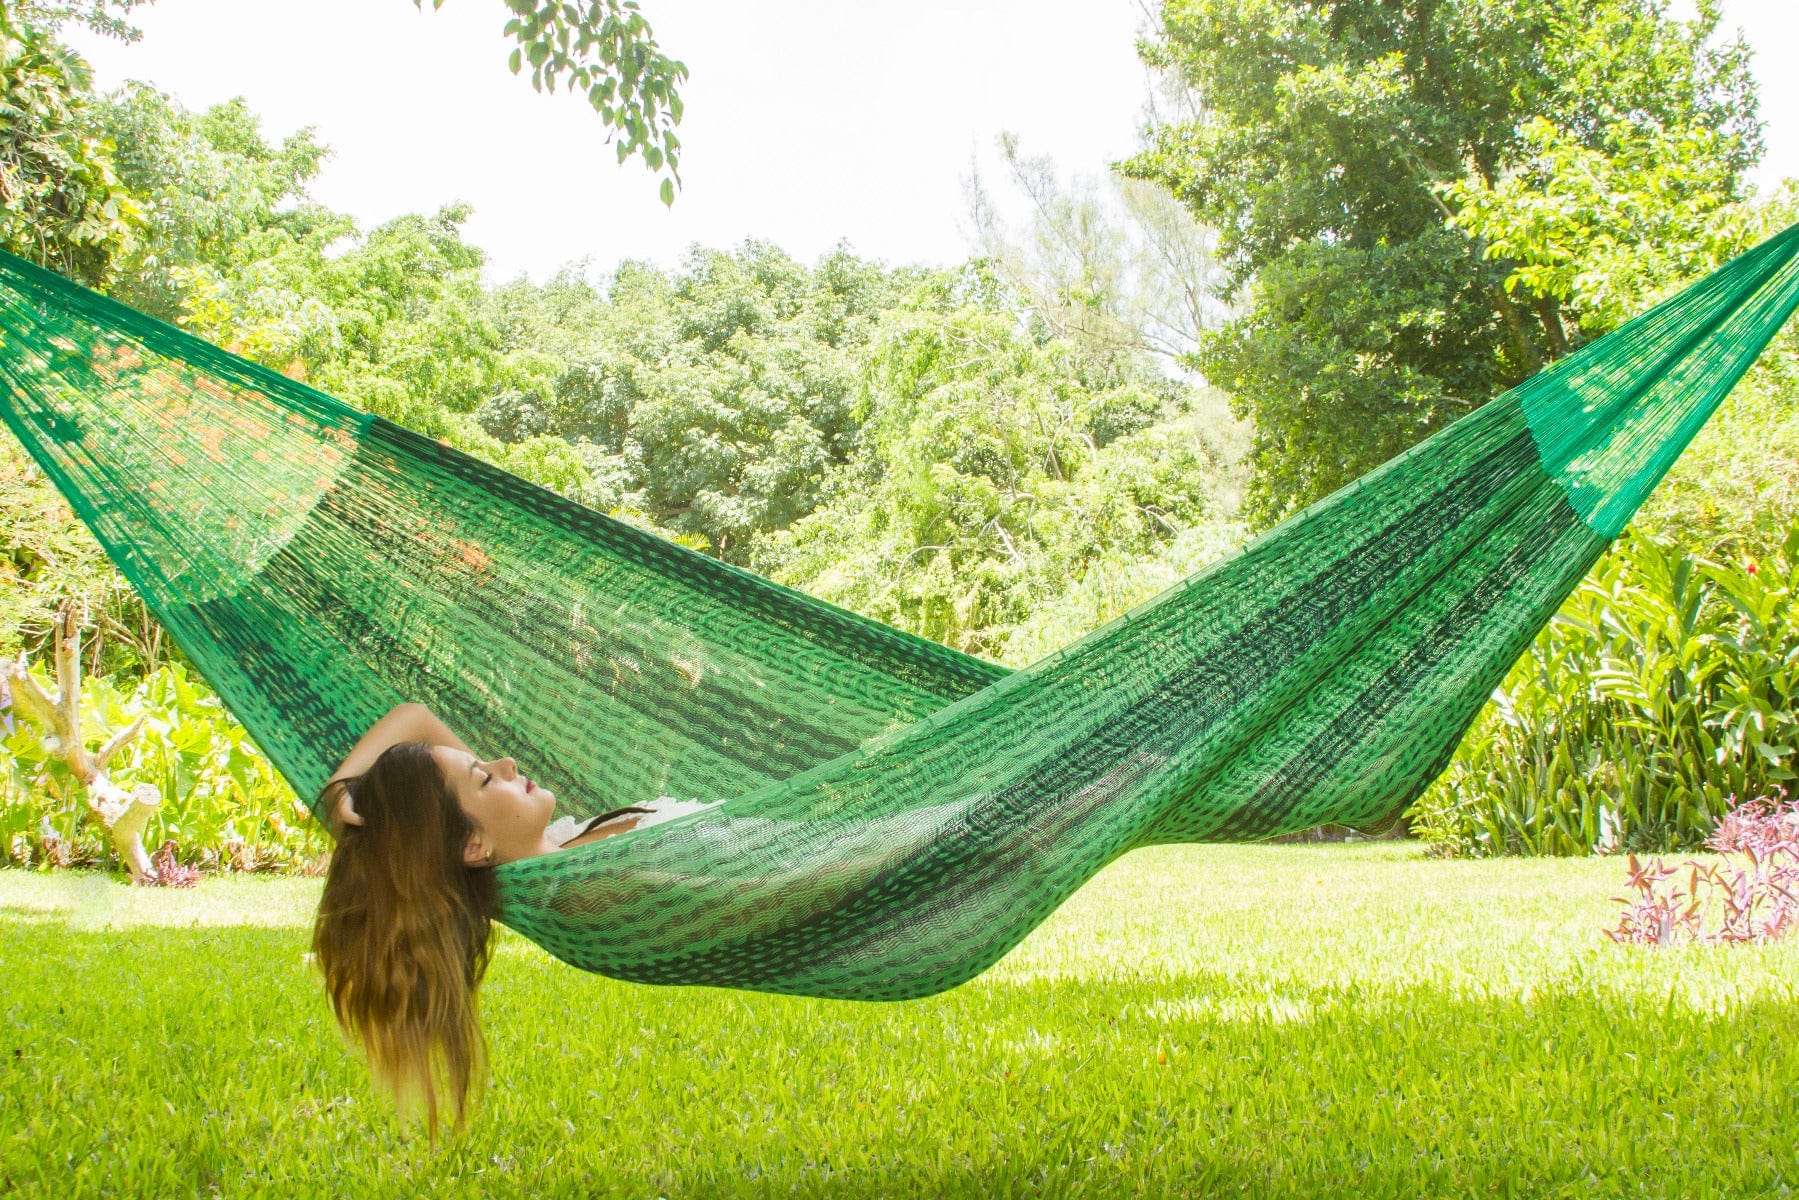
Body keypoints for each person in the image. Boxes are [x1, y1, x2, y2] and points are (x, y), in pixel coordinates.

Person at [308, 701, 716, 1137]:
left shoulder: (547, 846)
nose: (506, 763)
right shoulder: (576, 892)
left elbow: (417, 717)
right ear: (471, 847)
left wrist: (340, 787)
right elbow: (754, 900)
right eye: (485, 777)